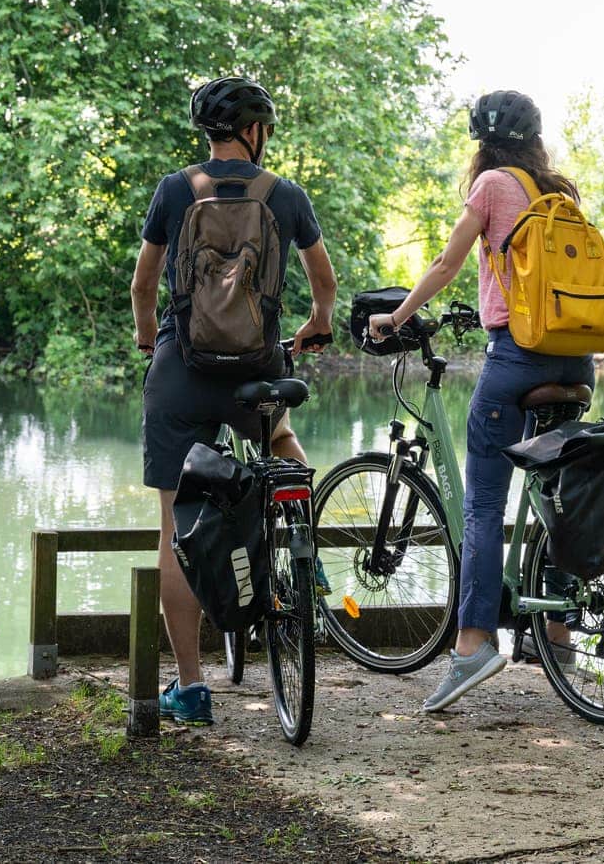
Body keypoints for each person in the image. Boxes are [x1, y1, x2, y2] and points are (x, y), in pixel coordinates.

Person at [369, 88, 594, 713]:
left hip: (516, 358)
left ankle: (473, 645)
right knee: (554, 493)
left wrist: (397, 316)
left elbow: (447, 263)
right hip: (578, 361)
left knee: (483, 503)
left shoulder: (493, 185)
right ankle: (556, 633)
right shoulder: (559, 193)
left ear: (483, 141)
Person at [130, 75, 336, 725]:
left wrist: (147, 338)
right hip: (255, 372)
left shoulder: (174, 189)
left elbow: (143, 282)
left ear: (210, 134)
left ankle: (191, 689)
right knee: (278, 441)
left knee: (175, 526)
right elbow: (323, 281)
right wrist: (316, 322)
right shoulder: (284, 194)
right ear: (257, 131)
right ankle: (305, 547)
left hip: (182, 371)